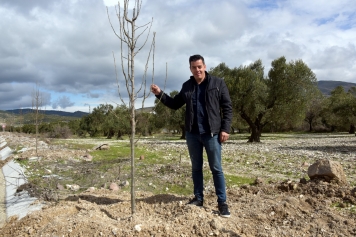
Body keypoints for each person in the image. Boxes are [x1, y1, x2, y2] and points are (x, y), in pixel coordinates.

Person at [151, 54, 233, 218]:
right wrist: (160, 93)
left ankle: (222, 203)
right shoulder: (187, 86)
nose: (197, 70)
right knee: (196, 168)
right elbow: (175, 104)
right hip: (192, 134)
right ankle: (198, 198)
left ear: (205, 66)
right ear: (190, 69)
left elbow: (227, 107)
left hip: (212, 134)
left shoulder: (217, 83)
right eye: (194, 67)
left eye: (200, 66)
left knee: (216, 168)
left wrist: (225, 129)